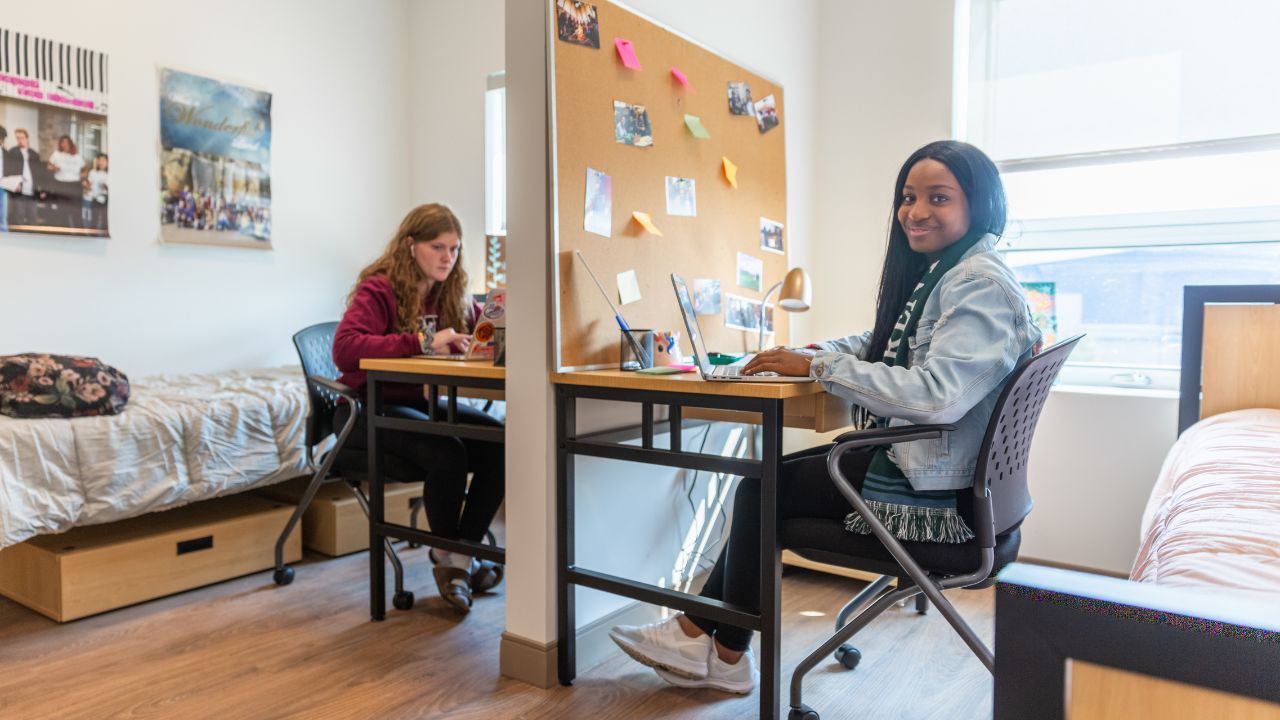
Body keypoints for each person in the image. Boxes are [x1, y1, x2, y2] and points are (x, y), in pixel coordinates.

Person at [609, 140, 1041, 694]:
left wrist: (821, 368)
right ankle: (710, 645)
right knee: (761, 486)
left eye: (939, 197)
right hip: (945, 476)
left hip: (939, 498)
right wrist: (815, 355)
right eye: (909, 197)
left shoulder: (974, 282)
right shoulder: (954, 271)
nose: (916, 211)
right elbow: (887, 342)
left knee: (759, 494)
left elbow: (937, 396)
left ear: (978, 204)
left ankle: (716, 646)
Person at [333, 202, 505, 614]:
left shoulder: (451, 293)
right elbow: (345, 349)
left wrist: (491, 338)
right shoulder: (380, 288)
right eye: (438, 247)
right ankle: (455, 560)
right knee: (448, 451)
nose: (448, 258)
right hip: (363, 409)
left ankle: (457, 556)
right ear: (410, 246)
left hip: (417, 405)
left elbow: (483, 332)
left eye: (455, 249)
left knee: (499, 443)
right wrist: (425, 342)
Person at [5, 129, 47, 227]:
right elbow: (9, 170)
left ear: (27, 138)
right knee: (18, 216)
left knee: (32, 217)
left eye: (22, 138)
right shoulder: (12, 152)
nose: (20, 140)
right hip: (18, 190)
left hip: (32, 190)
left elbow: (40, 173)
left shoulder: (34, 154)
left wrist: (42, 189)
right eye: (18, 138)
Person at [47, 135, 84, 228]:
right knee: (62, 211)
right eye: (62, 142)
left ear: (70, 143)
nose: (64, 144)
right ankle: (63, 230)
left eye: (66, 142)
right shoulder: (56, 154)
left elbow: (85, 169)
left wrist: (84, 175)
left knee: (76, 211)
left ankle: (78, 232)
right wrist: (53, 168)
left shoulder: (77, 156)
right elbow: (48, 166)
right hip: (61, 185)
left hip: (75, 186)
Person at [84, 154, 108, 232]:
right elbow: (88, 185)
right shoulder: (93, 172)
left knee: (103, 219)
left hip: (104, 200)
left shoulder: (110, 174)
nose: (101, 163)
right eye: (99, 160)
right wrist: (87, 186)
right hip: (92, 198)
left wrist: (105, 187)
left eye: (103, 160)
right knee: (91, 219)